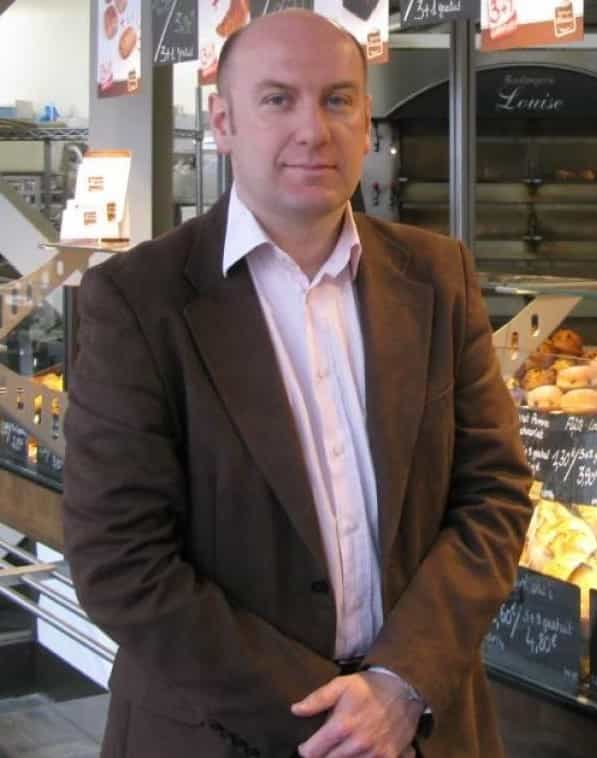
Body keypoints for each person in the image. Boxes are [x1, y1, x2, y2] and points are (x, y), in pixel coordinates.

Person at [62, 10, 532, 758]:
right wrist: (333, 721)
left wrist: (401, 683)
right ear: (224, 122)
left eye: (337, 99)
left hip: (420, 724)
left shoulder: (439, 277)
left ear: (367, 121)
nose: (313, 130)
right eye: (277, 99)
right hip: (220, 731)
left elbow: (494, 495)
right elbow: (121, 560)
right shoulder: (136, 300)